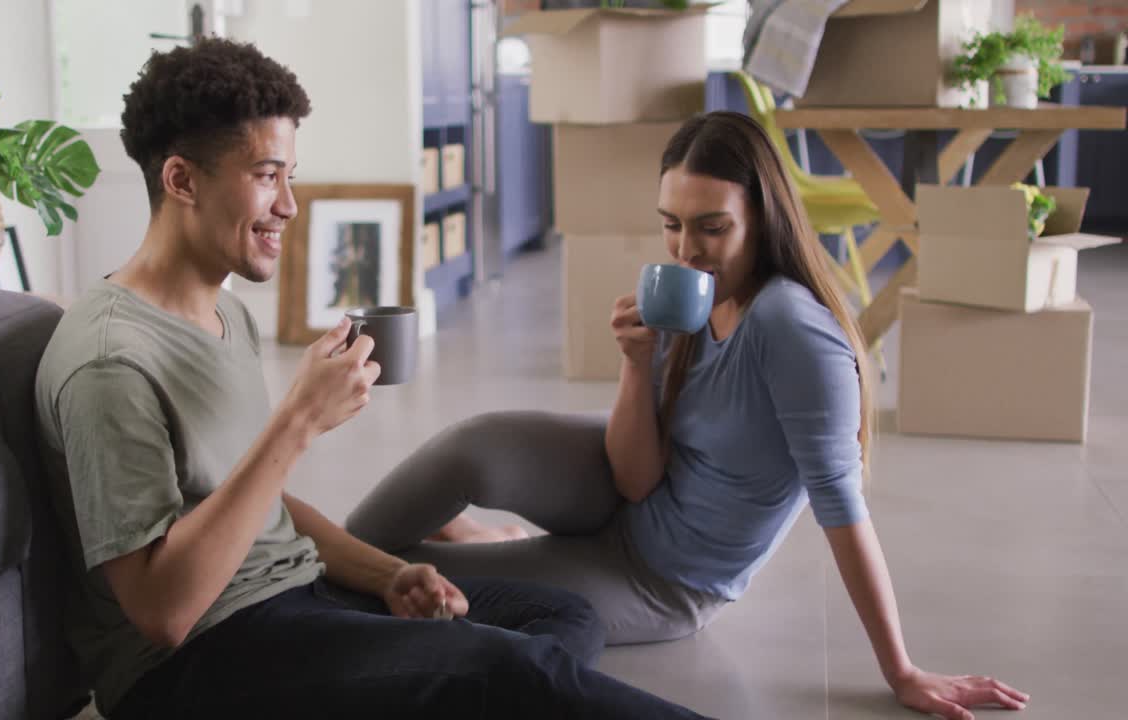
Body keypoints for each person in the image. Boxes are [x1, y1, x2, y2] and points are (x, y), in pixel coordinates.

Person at [34, 38, 710, 720]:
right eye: (268, 175)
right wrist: (297, 421)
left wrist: (389, 573)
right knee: (507, 669)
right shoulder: (109, 363)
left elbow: (253, 504)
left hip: (293, 599)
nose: (290, 205)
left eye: (290, 175)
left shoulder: (225, 313)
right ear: (181, 181)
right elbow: (163, 612)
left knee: (559, 614)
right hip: (198, 663)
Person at [346, 111, 1031, 720]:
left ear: (763, 217)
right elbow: (636, 480)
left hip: (663, 579)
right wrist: (637, 362)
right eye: (671, 225)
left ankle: (396, 561)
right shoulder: (692, 296)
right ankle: (357, 554)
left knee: (406, 585)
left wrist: (900, 670)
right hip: (631, 501)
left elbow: (844, 514)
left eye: (712, 228)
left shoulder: (794, 331)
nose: (685, 250)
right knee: (472, 450)